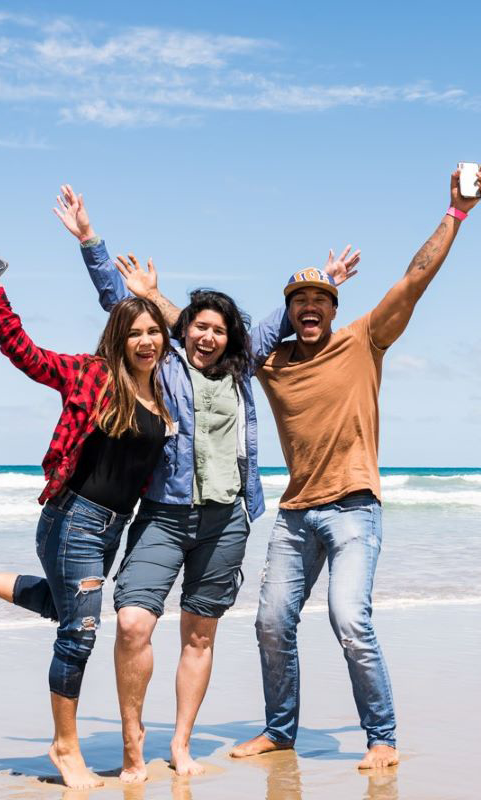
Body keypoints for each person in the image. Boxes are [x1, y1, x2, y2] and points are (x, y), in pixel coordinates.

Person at [52, 186, 358, 780]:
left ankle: (182, 744)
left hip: (226, 521)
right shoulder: (162, 365)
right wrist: (91, 241)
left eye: (218, 329)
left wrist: (329, 279)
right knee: (135, 623)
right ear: (184, 331)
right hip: (164, 517)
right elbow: (120, 305)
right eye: (198, 328)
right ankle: (134, 743)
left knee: (199, 635)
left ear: (229, 337)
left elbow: (287, 314)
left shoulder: (243, 368)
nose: (208, 337)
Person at [230, 164, 481, 770]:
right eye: (300, 301)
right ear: (289, 311)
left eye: (321, 299)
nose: (311, 307)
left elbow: (414, 279)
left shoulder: (364, 340)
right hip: (295, 516)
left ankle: (382, 739)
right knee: (271, 623)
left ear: (334, 307)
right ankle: (280, 730)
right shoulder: (270, 364)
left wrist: (455, 213)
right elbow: (203, 336)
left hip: (353, 510)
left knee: (350, 622)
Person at [0, 263, 172, 790]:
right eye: (134, 333)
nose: (145, 341)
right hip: (73, 518)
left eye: (153, 332)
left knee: (65, 610)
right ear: (118, 339)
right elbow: (25, 354)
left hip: (111, 528)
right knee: (79, 635)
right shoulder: (92, 374)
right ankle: (65, 747)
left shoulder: (163, 393)